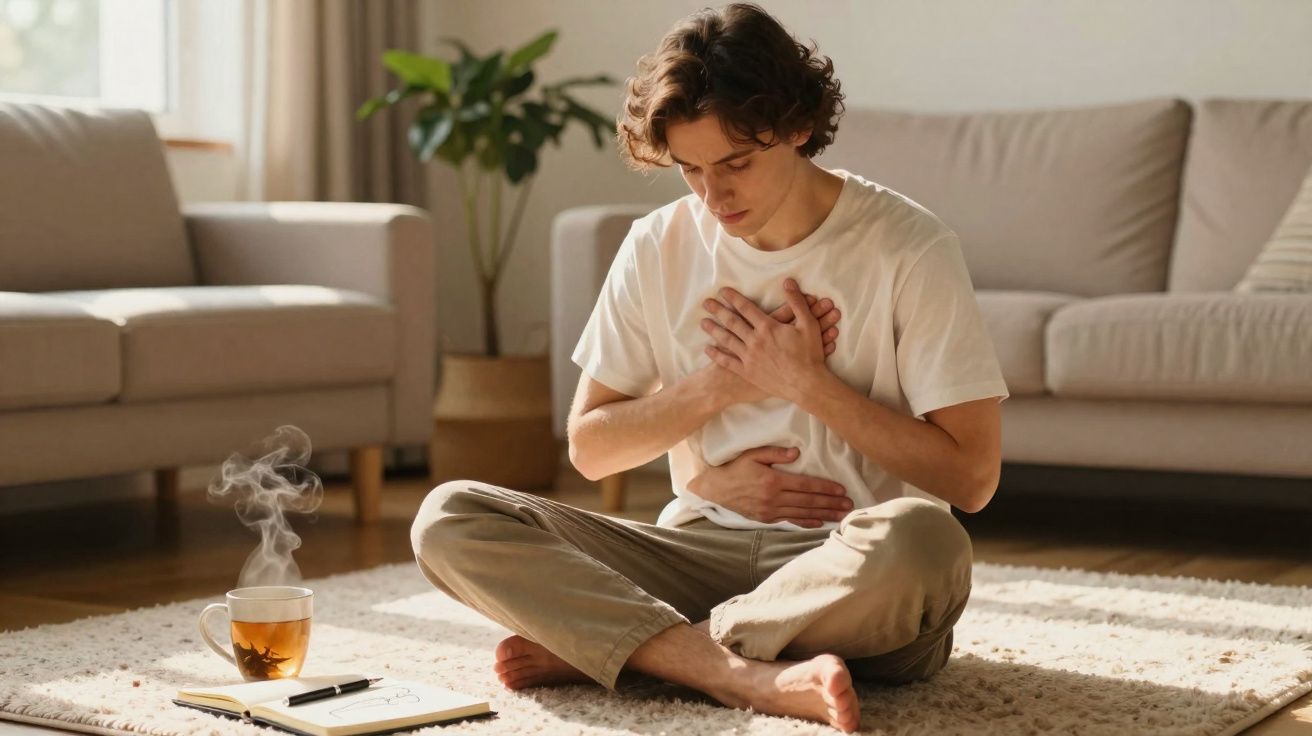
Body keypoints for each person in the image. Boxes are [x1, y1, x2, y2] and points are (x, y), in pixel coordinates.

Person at [411, 4, 1009, 732]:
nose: (712, 197)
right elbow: (591, 448)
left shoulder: (908, 247)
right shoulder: (655, 246)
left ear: (796, 127)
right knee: (450, 517)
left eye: (735, 164)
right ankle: (733, 670)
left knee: (928, 542)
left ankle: (637, 646)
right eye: (690, 169)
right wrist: (722, 385)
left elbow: (972, 480)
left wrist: (805, 384)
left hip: (851, 574)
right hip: (699, 547)